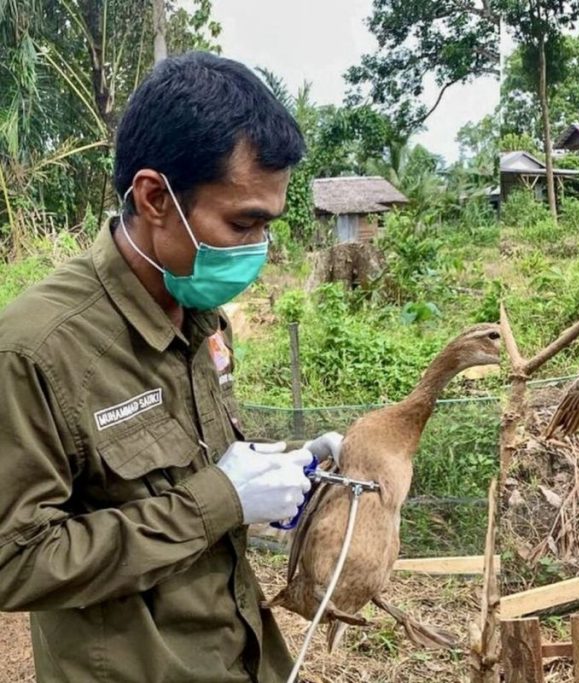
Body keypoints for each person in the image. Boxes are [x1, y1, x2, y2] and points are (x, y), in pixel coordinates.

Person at [0, 52, 342, 681]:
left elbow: (184, 467)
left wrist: (270, 474)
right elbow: (13, 560)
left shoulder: (200, 313)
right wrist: (220, 498)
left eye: (268, 226)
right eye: (244, 223)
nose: (259, 250)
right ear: (155, 197)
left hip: (237, 654)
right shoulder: (36, 351)